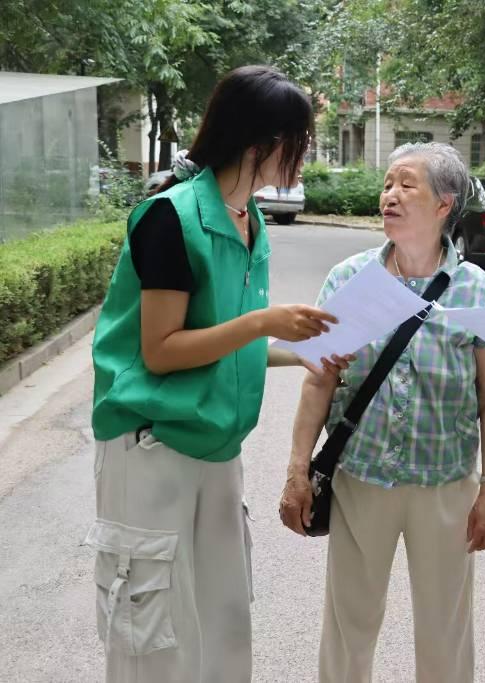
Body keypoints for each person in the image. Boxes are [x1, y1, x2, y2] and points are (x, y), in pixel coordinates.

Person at [87, 65, 342, 683]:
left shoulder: (249, 222)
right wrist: (265, 325)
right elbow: (164, 350)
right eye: (299, 143)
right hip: (153, 445)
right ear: (261, 144)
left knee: (224, 615)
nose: (303, 157)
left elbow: (220, 342)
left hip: (217, 448)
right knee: (155, 631)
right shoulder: (169, 218)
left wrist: (300, 352)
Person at [278, 142, 485, 683]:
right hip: (362, 479)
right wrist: (297, 472)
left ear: (444, 205)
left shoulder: (476, 289)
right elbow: (320, 380)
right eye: (387, 184)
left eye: (407, 184)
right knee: (349, 625)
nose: (390, 194)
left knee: (444, 631)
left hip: (445, 485)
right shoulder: (348, 279)